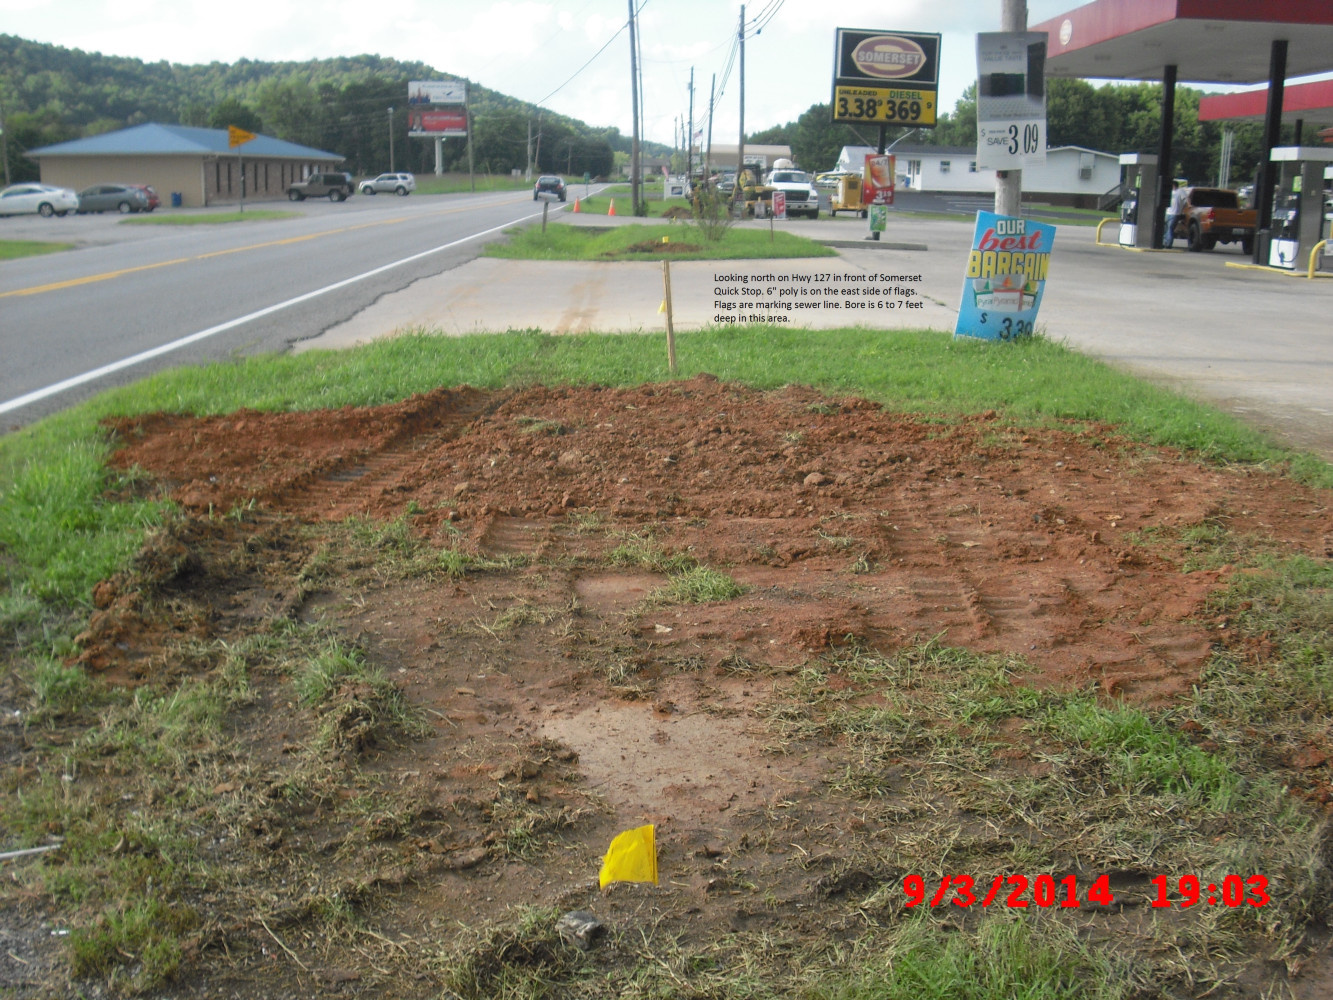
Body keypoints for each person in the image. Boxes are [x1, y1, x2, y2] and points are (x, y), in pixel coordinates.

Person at [1165, 179, 1188, 248]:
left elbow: (1186, 201)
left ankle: (1169, 244)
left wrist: (1182, 209)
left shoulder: (1180, 191)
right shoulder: (1170, 192)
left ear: (1174, 185)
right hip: (1168, 212)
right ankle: (1165, 242)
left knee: (1170, 228)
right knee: (1166, 228)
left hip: (1175, 213)